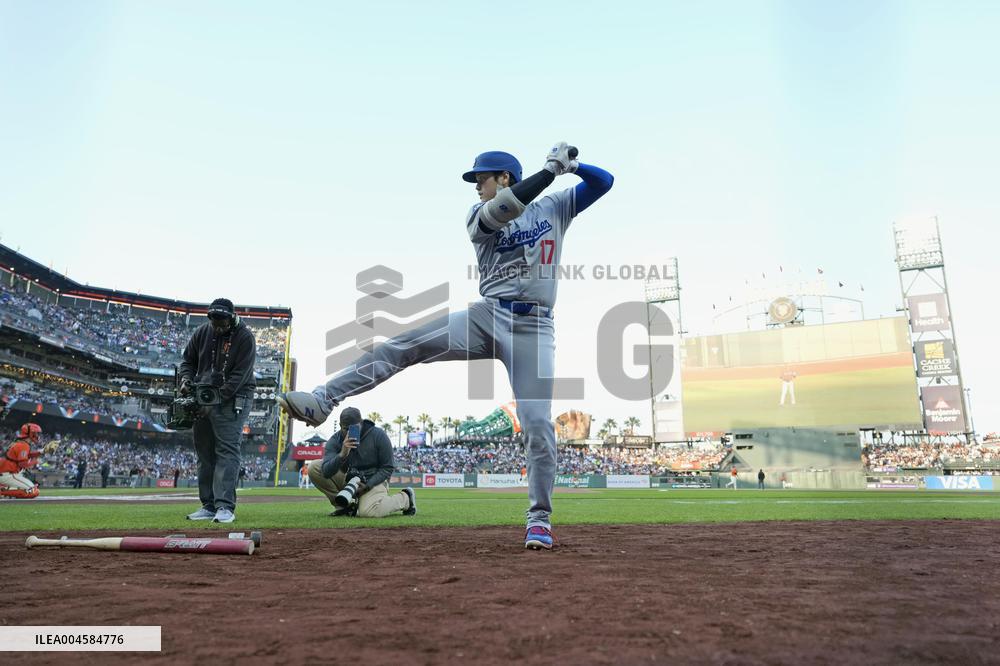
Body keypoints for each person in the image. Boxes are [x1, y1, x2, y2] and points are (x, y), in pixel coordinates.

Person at [278, 142, 613, 550]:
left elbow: (604, 182)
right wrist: (550, 172)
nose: (476, 186)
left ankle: (539, 519)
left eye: (481, 178)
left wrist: (573, 167)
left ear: (503, 177)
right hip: (487, 315)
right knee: (403, 345)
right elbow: (507, 207)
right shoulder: (479, 215)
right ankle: (323, 398)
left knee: (539, 424)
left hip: (536, 327)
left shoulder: (555, 206)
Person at [179, 297, 257, 524]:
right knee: (204, 451)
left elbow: (237, 378)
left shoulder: (244, 337)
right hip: (202, 394)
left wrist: (213, 401)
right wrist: (185, 380)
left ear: (232, 318)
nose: (218, 327)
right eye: (214, 323)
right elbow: (187, 361)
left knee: (226, 449)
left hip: (233, 397)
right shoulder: (203, 332)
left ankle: (225, 507)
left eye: (222, 323)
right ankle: (208, 505)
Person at [307, 407, 415, 518]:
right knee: (314, 467)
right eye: (346, 429)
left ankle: (405, 498)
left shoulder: (378, 435)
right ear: (340, 426)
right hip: (347, 478)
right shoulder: (335, 440)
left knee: (368, 512)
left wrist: (368, 485)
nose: (350, 432)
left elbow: (387, 467)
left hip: (373, 480)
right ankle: (344, 507)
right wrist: (342, 455)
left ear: (361, 423)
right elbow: (326, 472)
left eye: (354, 428)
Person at [1, 423, 58, 499]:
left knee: (32, 489)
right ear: (30, 433)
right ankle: (2, 491)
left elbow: (26, 456)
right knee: (32, 491)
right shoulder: (24, 445)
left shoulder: (20, 443)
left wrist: (42, 452)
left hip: (7, 473)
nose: (37, 435)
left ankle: (5, 490)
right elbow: (23, 464)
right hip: (9, 474)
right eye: (36, 433)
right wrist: (36, 461)